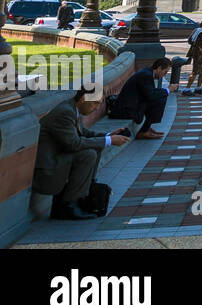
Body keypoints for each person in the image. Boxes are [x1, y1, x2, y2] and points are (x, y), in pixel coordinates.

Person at [33, 84, 129, 220]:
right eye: (95, 103)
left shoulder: (73, 108)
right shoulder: (65, 112)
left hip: (60, 158)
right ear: (84, 98)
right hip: (48, 168)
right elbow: (74, 144)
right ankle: (68, 206)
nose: (96, 108)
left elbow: (84, 133)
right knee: (88, 154)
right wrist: (108, 141)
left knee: (96, 146)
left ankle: (84, 194)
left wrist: (108, 135)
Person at [112, 59, 171, 139]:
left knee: (160, 96)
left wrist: (165, 91)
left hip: (130, 105)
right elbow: (151, 96)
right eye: (165, 72)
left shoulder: (147, 72)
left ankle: (146, 128)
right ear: (159, 68)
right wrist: (168, 90)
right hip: (125, 110)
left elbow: (150, 93)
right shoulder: (146, 75)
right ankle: (143, 131)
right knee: (159, 100)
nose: (164, 75)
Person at [181, 18, 202, 96]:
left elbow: (189, 40)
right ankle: (187, 89)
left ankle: (198, 88)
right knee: (195, 71)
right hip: (199, 53)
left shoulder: (197, 30)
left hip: (197, 51)